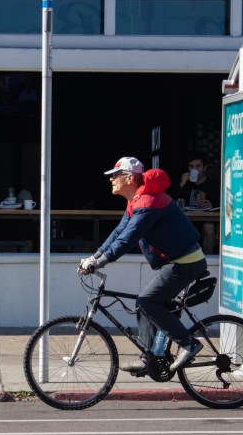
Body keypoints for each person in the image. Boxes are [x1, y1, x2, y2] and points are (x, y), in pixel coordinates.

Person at [78, 157, 207, 373]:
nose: (111, 180)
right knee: (145, 304)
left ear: (129, 178)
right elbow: (118, 233)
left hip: (186, 262)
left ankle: (188, 343)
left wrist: (99, 263)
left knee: (147, 301)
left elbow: (127, 238)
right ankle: (150, 358)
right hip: (173, 261)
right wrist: (94, 257)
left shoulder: (148, 202)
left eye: (115, 175)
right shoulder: (136, 201)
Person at [171, 157, 220, 253]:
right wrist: (181, 184)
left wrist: (212, 205)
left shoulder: (212, 185)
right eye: (191, 166)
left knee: (209, 227)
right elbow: (171, 201)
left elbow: (220, 206)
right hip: (186, 220)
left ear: (204, 167)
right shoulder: (184, 183)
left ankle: (207, 258)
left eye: (198, 166)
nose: (195, 169)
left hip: (204, 221)